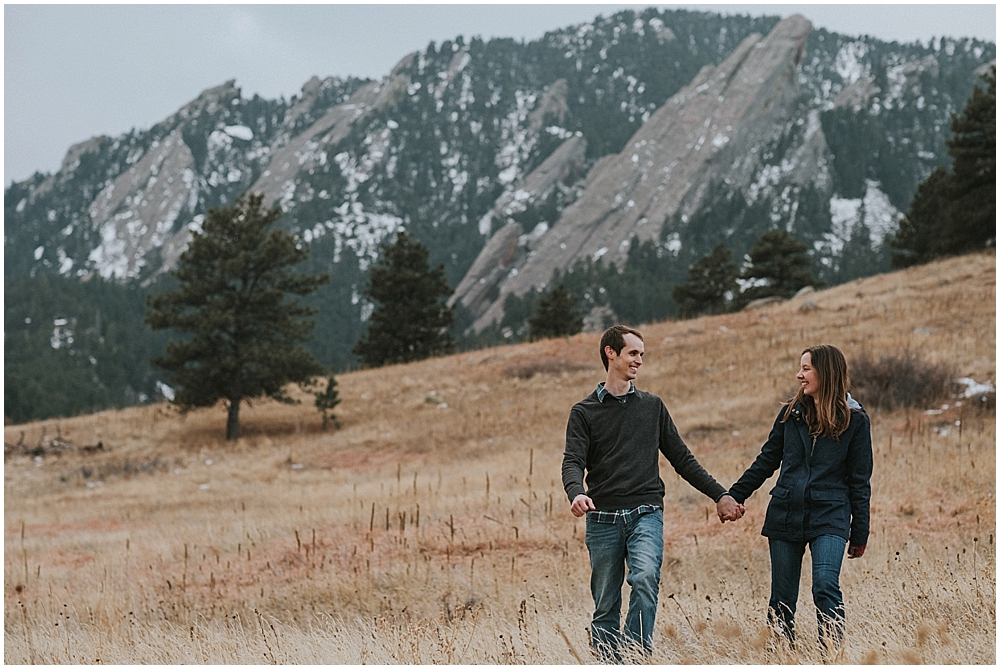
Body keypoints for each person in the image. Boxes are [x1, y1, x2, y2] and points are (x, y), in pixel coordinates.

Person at [561, 325, 744, 661]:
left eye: (642, 354)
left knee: (644, 578)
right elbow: (572, 461)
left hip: (645, 512)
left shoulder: (652, 407)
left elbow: (683, 459)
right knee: (605, 604)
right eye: (633, 353)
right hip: (602, 519)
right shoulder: (584, 412)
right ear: (610, 353)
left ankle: (635, 657)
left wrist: (720, 494)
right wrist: (575, 492)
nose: (639, 361)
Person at [727, 344, 872, 650]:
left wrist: (859, 532)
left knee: (825, 586)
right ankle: (782, 656)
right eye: (800, 368)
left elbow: (860, 481)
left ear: (826, 372)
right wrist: (733, 495)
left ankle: (831, 655)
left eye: (806, 369)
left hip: (830, 515)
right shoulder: (790, 414)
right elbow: (767, 460)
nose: (799, 375)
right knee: (781, 598)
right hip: (785, 513)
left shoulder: (855, 421)